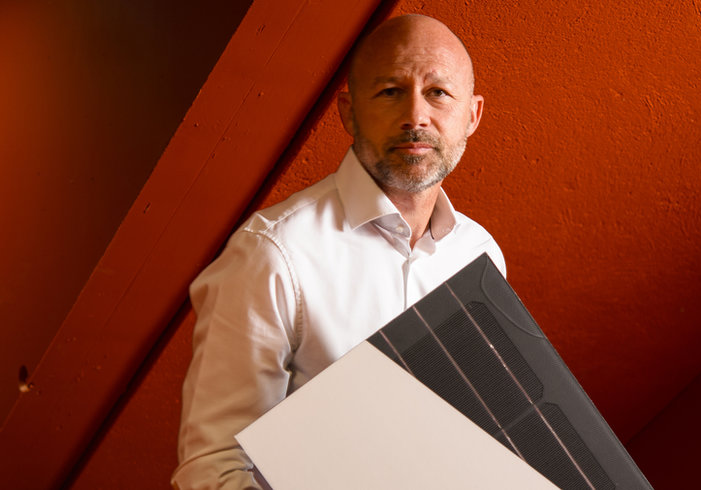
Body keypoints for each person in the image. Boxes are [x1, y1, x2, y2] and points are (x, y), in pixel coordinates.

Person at [171, 14, 505, 489]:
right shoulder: (273, 253)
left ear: (472, 115)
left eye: (438, 93)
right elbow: (212, 468)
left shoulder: (480, 256)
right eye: (390, 91)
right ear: (348, 112)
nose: (415, 116)